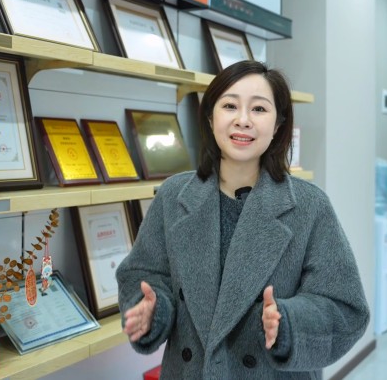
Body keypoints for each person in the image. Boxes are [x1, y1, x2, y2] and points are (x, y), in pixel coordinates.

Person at [116, 60, 370, 379]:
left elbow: (346, 309)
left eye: (259, 109)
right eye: (230, 106)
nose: (243, 120)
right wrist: (153, 310)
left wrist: (290, 323)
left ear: (278, 124)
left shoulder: (309, 206)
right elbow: (143, 273)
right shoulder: (174, 195)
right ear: (211, 117)